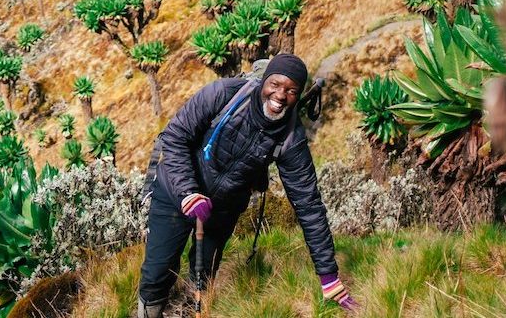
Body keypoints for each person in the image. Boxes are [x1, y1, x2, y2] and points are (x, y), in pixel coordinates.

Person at [137, 54, 357, 316]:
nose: (280, 95)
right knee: (157, 273)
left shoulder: (290, 139)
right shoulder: (224, 94)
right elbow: (174, 138)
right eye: (275, 84)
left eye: (291, 90)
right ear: (264, 80)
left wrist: (328, 276)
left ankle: (191, 311)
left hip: (222, 211)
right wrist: (188, 192)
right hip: (174, 194)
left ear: (298, 96)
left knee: (202, 277)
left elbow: (309, 206)